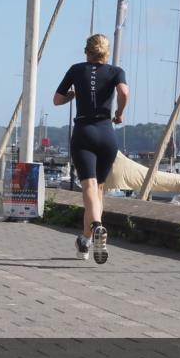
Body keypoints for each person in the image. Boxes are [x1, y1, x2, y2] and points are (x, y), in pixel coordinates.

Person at [53, 33, 128, 264]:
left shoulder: (76, 69)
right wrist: (119, 113)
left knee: (89, 186)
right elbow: (124, 92)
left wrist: (73, 95)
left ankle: (96, 227)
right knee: (99, 191)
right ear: (105, 52)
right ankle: (86, 239)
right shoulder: (116, 71)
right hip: (106, 134)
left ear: (87, 50)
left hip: (84, 132)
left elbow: (56, 99)